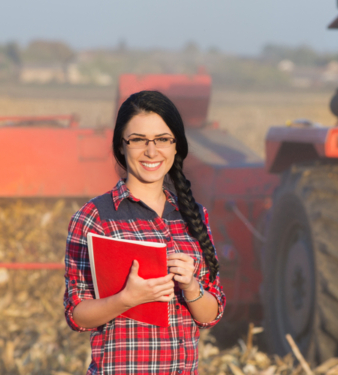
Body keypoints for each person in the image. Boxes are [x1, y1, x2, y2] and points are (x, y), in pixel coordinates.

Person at [64, 91, 225, 374]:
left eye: (163, 139)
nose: (152, 151)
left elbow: (210, 316)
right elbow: (77, 316)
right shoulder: (94, 218)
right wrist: (127, 299)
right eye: (138, 140)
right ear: (121, 147)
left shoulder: (195, 216)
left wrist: (191, 287)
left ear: (177, 147)